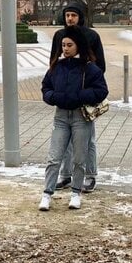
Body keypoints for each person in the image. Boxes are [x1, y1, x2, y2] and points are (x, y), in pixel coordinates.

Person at [39, 25, 109, 211]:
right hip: (61, 116)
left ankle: (76, 192)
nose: (65, 48)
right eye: (63, 45)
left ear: (79, 46)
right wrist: (53, 97)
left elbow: (102, 90)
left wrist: (80, 96)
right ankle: (47, 193)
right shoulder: (57, 66)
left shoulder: (90, 68)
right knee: (54, 157)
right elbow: (45, 87)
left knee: (79, 158)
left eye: (69, 45)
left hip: (81, 117)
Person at [51, 1, 105, 192]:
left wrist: (86, 89)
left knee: (87, 140)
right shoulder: (59, 35)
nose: (70, 18)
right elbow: (54, 62)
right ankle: (65, 175)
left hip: (83, 99)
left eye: (74, 15)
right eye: (67, 15)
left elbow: (100, 66)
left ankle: (90, 175)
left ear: (80, 17)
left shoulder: (91, 36)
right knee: (63, 141)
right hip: (64, 99)